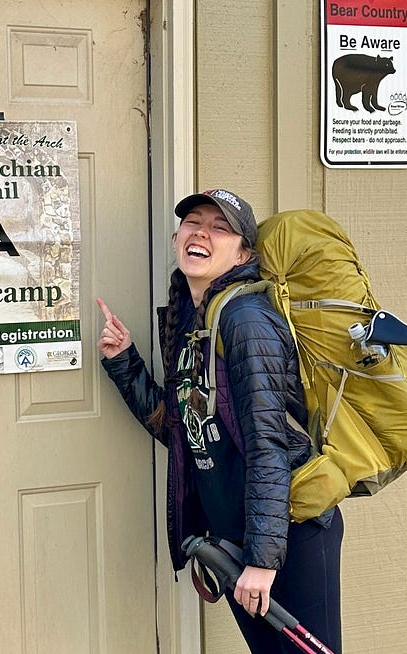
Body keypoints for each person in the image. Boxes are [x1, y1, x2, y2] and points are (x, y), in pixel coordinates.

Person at [95, 189, 343, 653]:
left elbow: (268, 443)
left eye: (220, 227)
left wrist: (263, 561)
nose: (201, 233)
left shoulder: (246, 320)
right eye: (193, 222)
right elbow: (186, 432)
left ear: (243, 254)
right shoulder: (193, 323)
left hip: (290, 532)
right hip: (235, 537)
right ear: (177, 238)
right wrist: (124, 361)